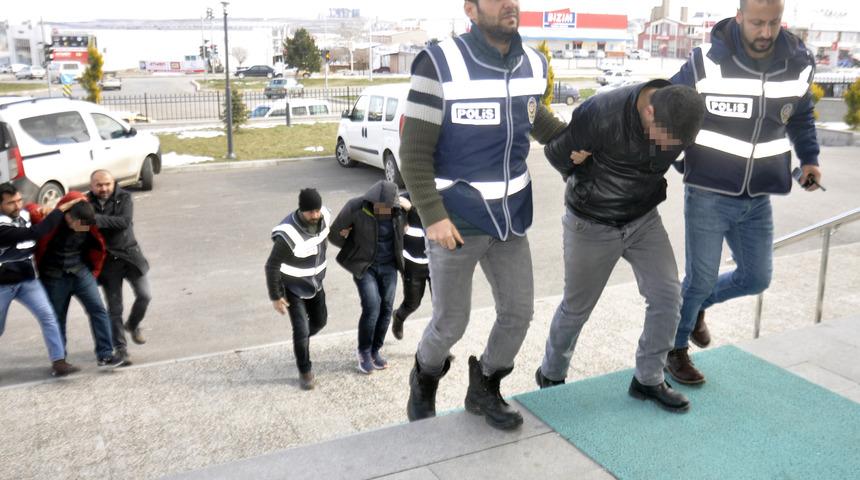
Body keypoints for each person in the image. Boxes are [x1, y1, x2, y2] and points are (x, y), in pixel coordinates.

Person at [399, 0, 568, 430]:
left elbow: (534, 118)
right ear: (471, 10)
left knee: (519, 312)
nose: (510, 3)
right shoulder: (439, 62)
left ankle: (486, 385)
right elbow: (414, 152)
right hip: (455, 221)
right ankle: (425, 376)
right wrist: (432, 216)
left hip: (511, 218)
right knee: (451, 322)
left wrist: (581, 138)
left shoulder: (533, 62)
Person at [667, 0, 822, 384]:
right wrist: (678, 157)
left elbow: (800, 117)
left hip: (759, 197)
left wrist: (810, 159)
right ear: (739, 17)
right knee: (699, 278)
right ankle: (675, 349)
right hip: (707, 193)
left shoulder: (799, 63)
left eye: (773, 23)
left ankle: (696, 307)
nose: (766, 33)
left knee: (756, 277)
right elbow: (668, 106)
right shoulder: (707, 61)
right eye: (756, 23)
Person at [535, 81, 706, 413]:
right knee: (577, 307)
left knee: (668, 294)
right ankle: (551, 376)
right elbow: (556, 154)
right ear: (649, 110)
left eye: (675, 144)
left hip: (643, 218)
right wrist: (583, 162)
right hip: (591, 221)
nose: (666, 147)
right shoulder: (601, 112)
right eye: (663, 137)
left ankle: (648, 378)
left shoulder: (681, 116)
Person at [27, 192, 125, 368]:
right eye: (77, 224)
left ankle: (105, 355)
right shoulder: (52, 220)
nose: (81, 228)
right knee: (57, 317)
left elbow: (98, 243)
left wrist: (93, 272)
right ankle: (60, 361)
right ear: (68, 215)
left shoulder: (86, 220)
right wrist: (45, 209)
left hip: (81, 271)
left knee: (98, 310)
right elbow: (29, 210)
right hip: (54, 275)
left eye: (84, 225)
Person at [0, 183, 81, 377]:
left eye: (19, 200)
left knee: (48, 316)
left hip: (28, 281)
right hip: (2, 284)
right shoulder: (2, 226)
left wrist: (42, 209)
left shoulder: (23, 214)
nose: (17, 205)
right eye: (11, 203)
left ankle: (59, 362)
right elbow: (34, 233)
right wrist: (59, 210)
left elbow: (33, 213)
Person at [328, 180, 406, 375]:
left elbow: (416, 220)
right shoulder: (355, 207)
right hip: (365, 266)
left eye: (388, 207)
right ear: (372, 201)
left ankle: (375, 350)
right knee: (372, 306)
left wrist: (408, 208)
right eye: (380, 206)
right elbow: (334, 234)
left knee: (387, 308)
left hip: (389, 266)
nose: (384, 210)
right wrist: (352, 245)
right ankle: (363, 351)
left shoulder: (398, 210)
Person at [264, 188, 331, 390]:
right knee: (301, 330)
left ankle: (300, 343)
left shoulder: (325, 216)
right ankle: (305, 371)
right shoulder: (288, 234)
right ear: (301, 210)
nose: (316, 215)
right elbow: (272, 266)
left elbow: (330, 234)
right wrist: (276, 296)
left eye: (317, 210)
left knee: (320, 322)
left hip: (315, 283)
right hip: (292, 287)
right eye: (311, 212)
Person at [88, 170, 152, 366]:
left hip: (130, 257)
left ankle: (132, 325)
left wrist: (95, 221)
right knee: (115, 309)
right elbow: (80, 227)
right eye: (99, 185)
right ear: (92, 186)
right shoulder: (84, 203)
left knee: (145, 295)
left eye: (107, 184)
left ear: (113, 182)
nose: (104, 188)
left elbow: (123, 223)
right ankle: (121, 350)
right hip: (108, 262)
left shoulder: (125, 197)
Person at [390, 192, 429, 340]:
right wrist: (396, 211)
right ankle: (398, 317)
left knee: (442, 307)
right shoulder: (403, 199)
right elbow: (376, 209)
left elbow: (430, 219)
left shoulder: (440, 199)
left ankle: (440, 347)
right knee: (412, 303)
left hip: (437, 262)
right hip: (412, 265)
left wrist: (411, 209)